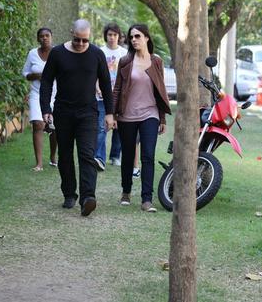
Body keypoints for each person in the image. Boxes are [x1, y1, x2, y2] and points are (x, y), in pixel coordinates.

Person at [40, 19, 114, 217]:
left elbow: (106, 85)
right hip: (63, 111)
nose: (81, 44)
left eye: (84, 41)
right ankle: (69, 193)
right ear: (71, 32)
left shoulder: (97, 54)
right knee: (65, 154)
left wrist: (109, 113)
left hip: (88, 113)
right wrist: (45, 108)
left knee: (87, 155)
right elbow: (46, 81)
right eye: (77, 40)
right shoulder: (57, 53)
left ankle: (88, 198)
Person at [113, 23, 171, 212]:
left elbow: (160, 91)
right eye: (131, 37)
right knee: (128, 155)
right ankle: (126, 191)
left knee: (148, 156)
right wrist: (113, 114)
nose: (134, 40)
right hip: (127, 116)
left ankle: (147, 200)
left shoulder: (156, 62)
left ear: (147, 38)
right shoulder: (125, 61)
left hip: (150, 114)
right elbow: (117, 89)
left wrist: (162, 118)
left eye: (137, 36)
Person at [22, 27, 57, 171]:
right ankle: (39, 164)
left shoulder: (58, 53)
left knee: (55, 127)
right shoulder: (32, 54)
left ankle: (53, 157)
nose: (44, 38)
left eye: (47, 35)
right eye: (41, 36)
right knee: (38, 124)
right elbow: (25, 73)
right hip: (37, 94)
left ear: (51, 37)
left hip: (56, 94)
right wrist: (35, 76)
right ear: (38, 39)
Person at [94, 23, 126, 171]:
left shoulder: (124, 53)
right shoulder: (99, 52)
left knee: (119, 127)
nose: (112, 37)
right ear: (105, 36)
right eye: (109, 35)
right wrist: (97, 87)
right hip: (101, 96)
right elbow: (93, 73)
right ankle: (98, 158)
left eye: (114, 35)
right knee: (102, 127)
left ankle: (115, 156)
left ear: (119, 37)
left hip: (119, 96)